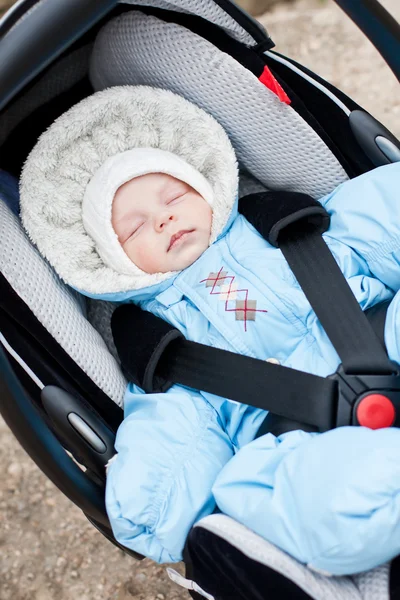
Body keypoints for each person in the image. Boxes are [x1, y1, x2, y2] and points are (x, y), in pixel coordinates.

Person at [20, 85, 400, 575]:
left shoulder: (295, 226)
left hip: (382, 335)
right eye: (135, 229)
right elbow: (171, 442)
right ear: (112, 263)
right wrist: (146, 508)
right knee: (253, 488)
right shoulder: (163, 349)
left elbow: (383, 212)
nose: (163, 219)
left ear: (206, 189)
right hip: (301, 439)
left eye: (174, 196)